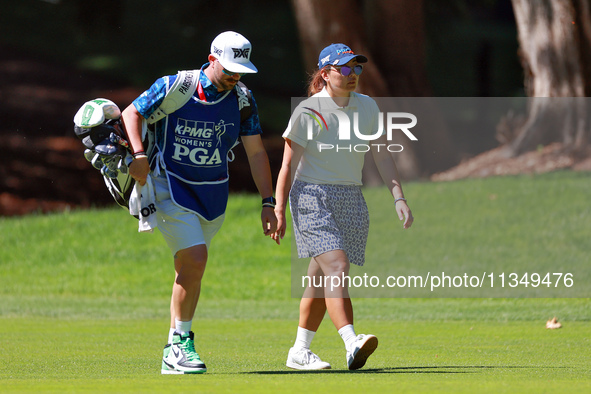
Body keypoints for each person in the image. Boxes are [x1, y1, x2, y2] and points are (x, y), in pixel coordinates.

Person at [121, 31, 277, 374]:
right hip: (169, 186)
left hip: (212, 193)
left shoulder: (242, 99)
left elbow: (255, 153)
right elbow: (131, 113)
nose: (235, 77)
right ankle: (177, 345)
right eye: (229, 69)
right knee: (196, 257)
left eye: (240, 71)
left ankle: (177, 343)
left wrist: (269, 201)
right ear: (212, 60)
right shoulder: (176, 85)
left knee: (191, 269)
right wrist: (139, 154)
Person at [272, 43, 414, 370]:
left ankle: (299, 351)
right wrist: (278, 208)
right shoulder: (309, 110)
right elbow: (288, 166)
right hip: (311, 196)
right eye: (345, 69)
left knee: (319, 279)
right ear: (325, 74)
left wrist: (398, 197)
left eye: (357, 68)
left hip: (351, 195)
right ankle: (351, 342)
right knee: (337, 267)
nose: (353, 75)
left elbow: (381, 154)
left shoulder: (367, 107)